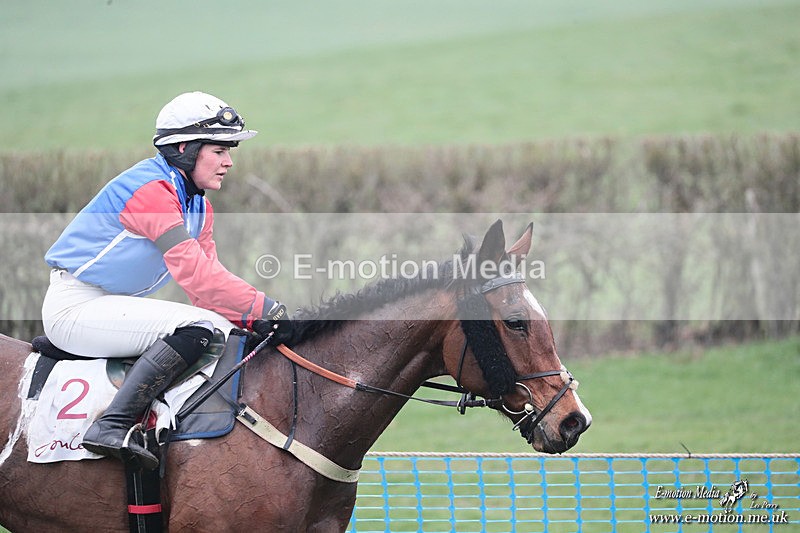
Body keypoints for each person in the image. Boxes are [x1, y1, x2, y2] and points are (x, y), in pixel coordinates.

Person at [42, 91, 292, 469]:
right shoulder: (150, 190)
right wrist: (268, 308)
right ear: (184, 149)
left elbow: (205, 289)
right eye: (220, 151)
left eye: (230, 152)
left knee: (222, 328)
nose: (229, 162)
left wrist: (253, 322)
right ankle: (110, 425)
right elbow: (198, 275)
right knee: (200, 328)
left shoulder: (198, 205)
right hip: (76, 306)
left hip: (112, 308)